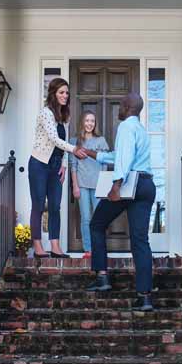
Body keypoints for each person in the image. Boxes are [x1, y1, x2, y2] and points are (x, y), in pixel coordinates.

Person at [80, 93, 156, 311]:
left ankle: (102, 277)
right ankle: (144, 297)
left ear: (127, 107)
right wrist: (93, 154)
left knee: (96, 224)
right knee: (140, 240)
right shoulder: (141, 129)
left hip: (128, 183)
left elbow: (124, 160)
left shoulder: (125, 127)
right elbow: (120, 154)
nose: (118, 109)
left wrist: (116, 185)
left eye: (121, 105)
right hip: (146, 184)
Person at [29, 78, 86, 259]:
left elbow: (63, 143)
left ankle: (55, 246)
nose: (65, 96)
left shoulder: (63, 118)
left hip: (55, 167)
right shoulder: (46, 113)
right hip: (39, 164)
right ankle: (37, 246)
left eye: (67, 93)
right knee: (38, 205)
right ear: (53, 94)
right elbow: (54, 139)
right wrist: (74, 150)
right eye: (61, 92)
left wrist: (63, 165)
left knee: (55, 206)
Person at [70, 111, 109, 259]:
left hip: (98, 184)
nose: (89, 124)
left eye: (92, 121)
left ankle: (99, 248)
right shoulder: (75, 142)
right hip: (82, 185)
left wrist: (104, 185)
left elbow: (105, 163)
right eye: (87, 120)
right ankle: (88, 249)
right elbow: (73, 165)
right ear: (82, 122)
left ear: (95, 124)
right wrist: (75, 186)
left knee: (99, 218)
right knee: (86, 218)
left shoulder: (101, 141)